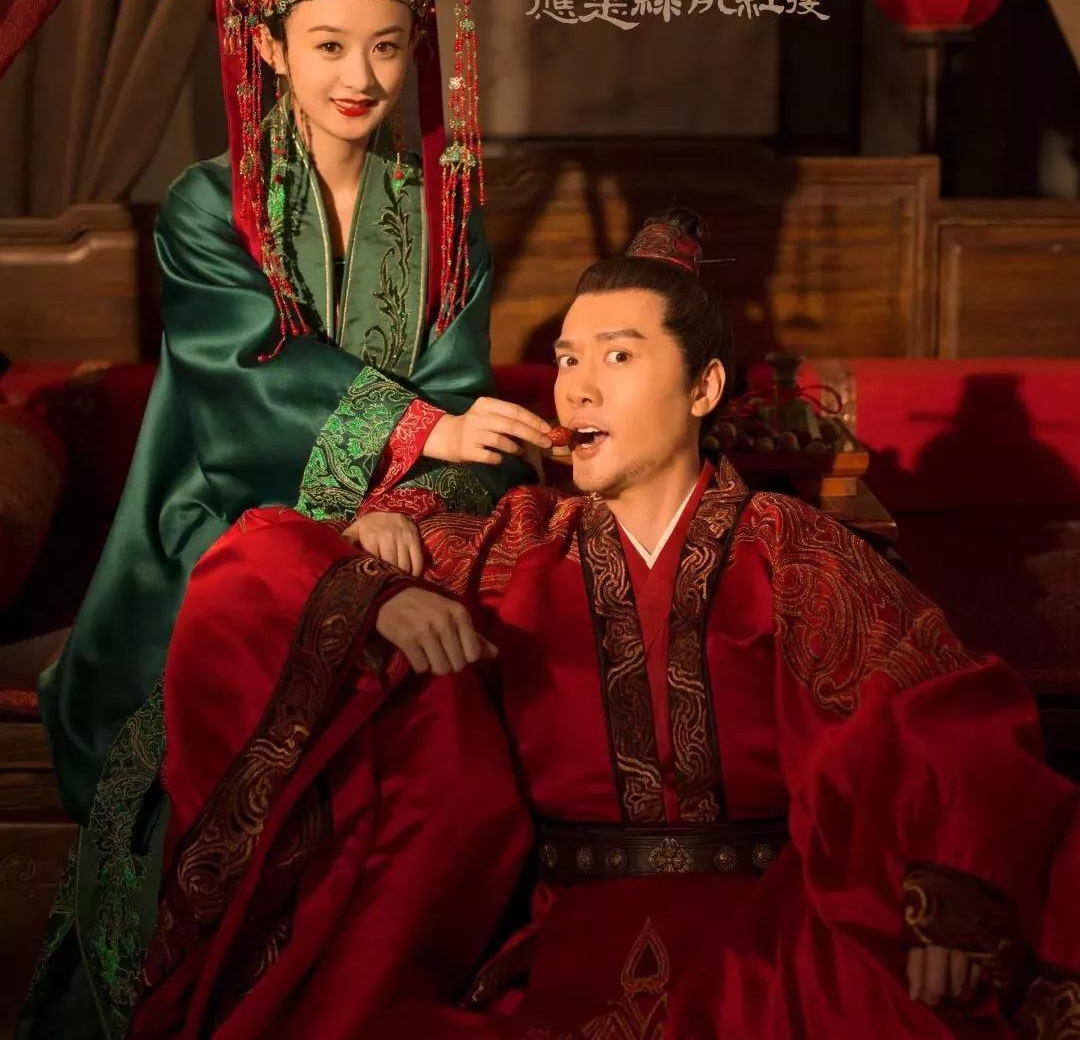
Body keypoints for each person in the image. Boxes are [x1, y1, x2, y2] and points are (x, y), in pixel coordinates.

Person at [108, 209, 1078, 1039]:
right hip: (558, 945)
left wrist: (950, 899)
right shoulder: (515, 547)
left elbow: (934, 708)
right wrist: (374, 589)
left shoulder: (790, 546)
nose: (576, 386)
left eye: (617, 356)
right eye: (568, 359)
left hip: (770, 937)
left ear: (703, 388)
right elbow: (253, 572)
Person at [20, 0, 552, 1037]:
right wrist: (416, 433)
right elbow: (237, 393)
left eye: (385, 44)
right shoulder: (210, 207)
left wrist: (404, 507)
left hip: (394, 534)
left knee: (451, 761)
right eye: (325, 44)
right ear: (268, 41)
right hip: (213, 533)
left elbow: (465, 407)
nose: (358, 76)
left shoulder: (445, 216)